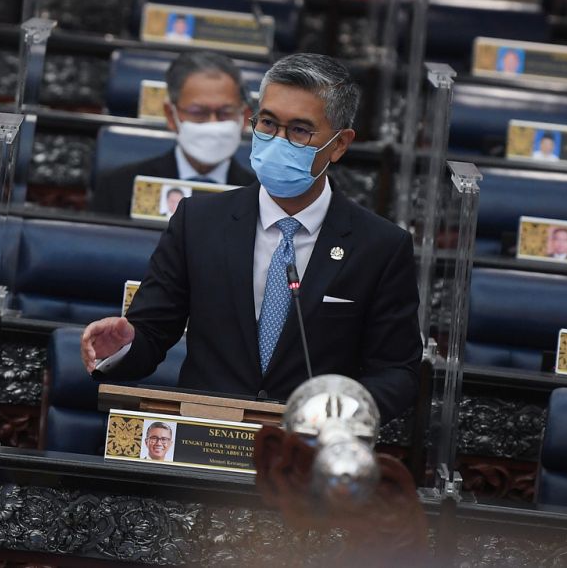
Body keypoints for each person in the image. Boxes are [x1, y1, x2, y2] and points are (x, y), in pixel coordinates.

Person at [81, 54, 422, 423]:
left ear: (339, 145)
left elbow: (396, 372)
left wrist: (341, 413)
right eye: (268, 123)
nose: (278, 140)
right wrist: (123, 344)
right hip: (203, 440)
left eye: (299, 131)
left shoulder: (380, 247)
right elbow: (152, 333)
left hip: (304, 453)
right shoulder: (198, 222)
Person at [91, 51, 255, 216]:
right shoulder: (120, 188)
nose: (213, 123)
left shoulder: (260, 197)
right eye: (198, 112)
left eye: (225, 112)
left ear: (245, 117)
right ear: (171, 115)